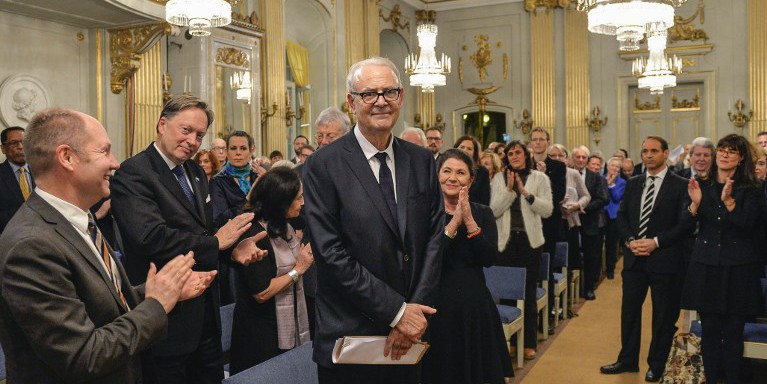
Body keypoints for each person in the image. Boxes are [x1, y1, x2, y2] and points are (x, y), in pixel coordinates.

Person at [0, 107, 215, 383]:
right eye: (104, 151)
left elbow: (103, 304)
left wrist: (155, 290)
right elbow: (84, 355)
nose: (115, 163)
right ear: (67, 157)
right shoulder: (31, 245)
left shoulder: (80, 219)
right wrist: (156, 304)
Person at [302, 57, 444, 384]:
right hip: (351, 334)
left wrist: (415, 312)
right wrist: (396, 312)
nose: (381, 101)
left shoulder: (421, 160)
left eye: (389, 92)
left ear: (401, 97)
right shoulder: (324, 165)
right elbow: (331, 254)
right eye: (369, 94)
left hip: (411, 334)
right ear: (352, 102)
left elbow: (434, 239)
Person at [110, 95, 262, 384]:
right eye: (185, 130)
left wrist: (231, 252)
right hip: (166, 317)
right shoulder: (133, 173)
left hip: (205, 313)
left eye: (199, 135)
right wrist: (218, 244)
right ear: (162, 124)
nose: (192, 141)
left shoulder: (193, 170)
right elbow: (149, 237)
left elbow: (203, 232)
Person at [601, 136, 691, 382]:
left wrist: (656, 242)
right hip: (634, 259)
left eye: (654, 151)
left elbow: (684, 224)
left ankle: (657, 363)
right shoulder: (634, 183)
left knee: (662, 315)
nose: (648, 155)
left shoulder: (680, 185)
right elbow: (622, 217)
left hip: (665, 258)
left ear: (665, 154)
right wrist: (630, 241)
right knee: (629, 311)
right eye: (645, 151)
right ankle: (627, 359)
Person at [422, 149, 513, 384]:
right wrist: (453, 223)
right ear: (436, 176)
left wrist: (470, 221)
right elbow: (430, 260)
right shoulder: (425, 214)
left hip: (474, 307)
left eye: (461, 173)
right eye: (447, 171)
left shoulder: (483, 212)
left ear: (470, 181)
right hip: (435, 307)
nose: (453, 178)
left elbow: (489, 258)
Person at [682, 134, 764, 384]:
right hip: (706, 265)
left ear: (740, 159)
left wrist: (730, 204)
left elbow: (749, 226)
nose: (725, 154)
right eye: (722, 149)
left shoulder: (753, 189)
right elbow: (687, 228)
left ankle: (732, 379)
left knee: (732, 332)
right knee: (709, 331)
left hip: (738, 268)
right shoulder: (702, 186)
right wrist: (694, 206)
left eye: (732, 151)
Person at [230, 167, 314, 373]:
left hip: (284, 323)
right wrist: (299, 269)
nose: (303, 203)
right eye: (298, 198)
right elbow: (261, 292)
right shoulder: (253, 233)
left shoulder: (286, 224)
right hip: (259, 333)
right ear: (281, 201)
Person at [490, 140, 553, 360]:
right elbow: (493, 211)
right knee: (506, 294)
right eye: (510, 153)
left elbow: (547, 210)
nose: (514, 156)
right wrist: (508, 191)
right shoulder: (499, 179)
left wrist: (526, 194)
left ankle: (528, 342)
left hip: (530, 241)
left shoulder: (540, 178)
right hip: (505, 242)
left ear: (525, 155)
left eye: (517, 152)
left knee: (527, 293)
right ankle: (510, 342)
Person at [210, 131, 260, 305]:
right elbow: (220, 219)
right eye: (233, 148)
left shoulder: (258, 177)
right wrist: (249, 199)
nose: (238, 153)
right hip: (232, 253)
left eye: (243, 148)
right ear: (227, 152)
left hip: (261, 247)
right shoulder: (218, 181)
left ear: (251, 150)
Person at [571, 146, 608, 300]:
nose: (580, 160)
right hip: (570, 222)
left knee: (591, 257)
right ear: (573, 159)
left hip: (590, 222)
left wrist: (584, 207)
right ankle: (573, 290)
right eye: (577, 157)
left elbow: (603, 198)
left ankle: (589, 288)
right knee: (572, 257)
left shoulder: (596, 177)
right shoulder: (567, 174)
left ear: (587, 160)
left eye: (583, 157)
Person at [0, 126, 35, 233]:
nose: (20, 147)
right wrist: (29, 210)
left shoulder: (42, 171)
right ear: (3, 149)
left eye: (24, 142)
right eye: (14, 143)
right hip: (10, 238)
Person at [603, 157, 626, 280]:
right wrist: (606, 182)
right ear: (607, 166)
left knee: (611, 244)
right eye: (613, 166)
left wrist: (611, 184)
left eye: (618, 167)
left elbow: (617, 198)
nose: (615, 168)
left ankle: (610, 269)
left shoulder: (622, 182)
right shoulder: (600, 178)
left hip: (613, 216)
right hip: (600, 214)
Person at [454, 135, 490, 205]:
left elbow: (485, 200)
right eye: (462, 147)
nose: (465, 151)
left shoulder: (482, 171)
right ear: (456, 148)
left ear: (474, 152)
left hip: (474, 212)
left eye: (469, 149)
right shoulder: (447, 168)